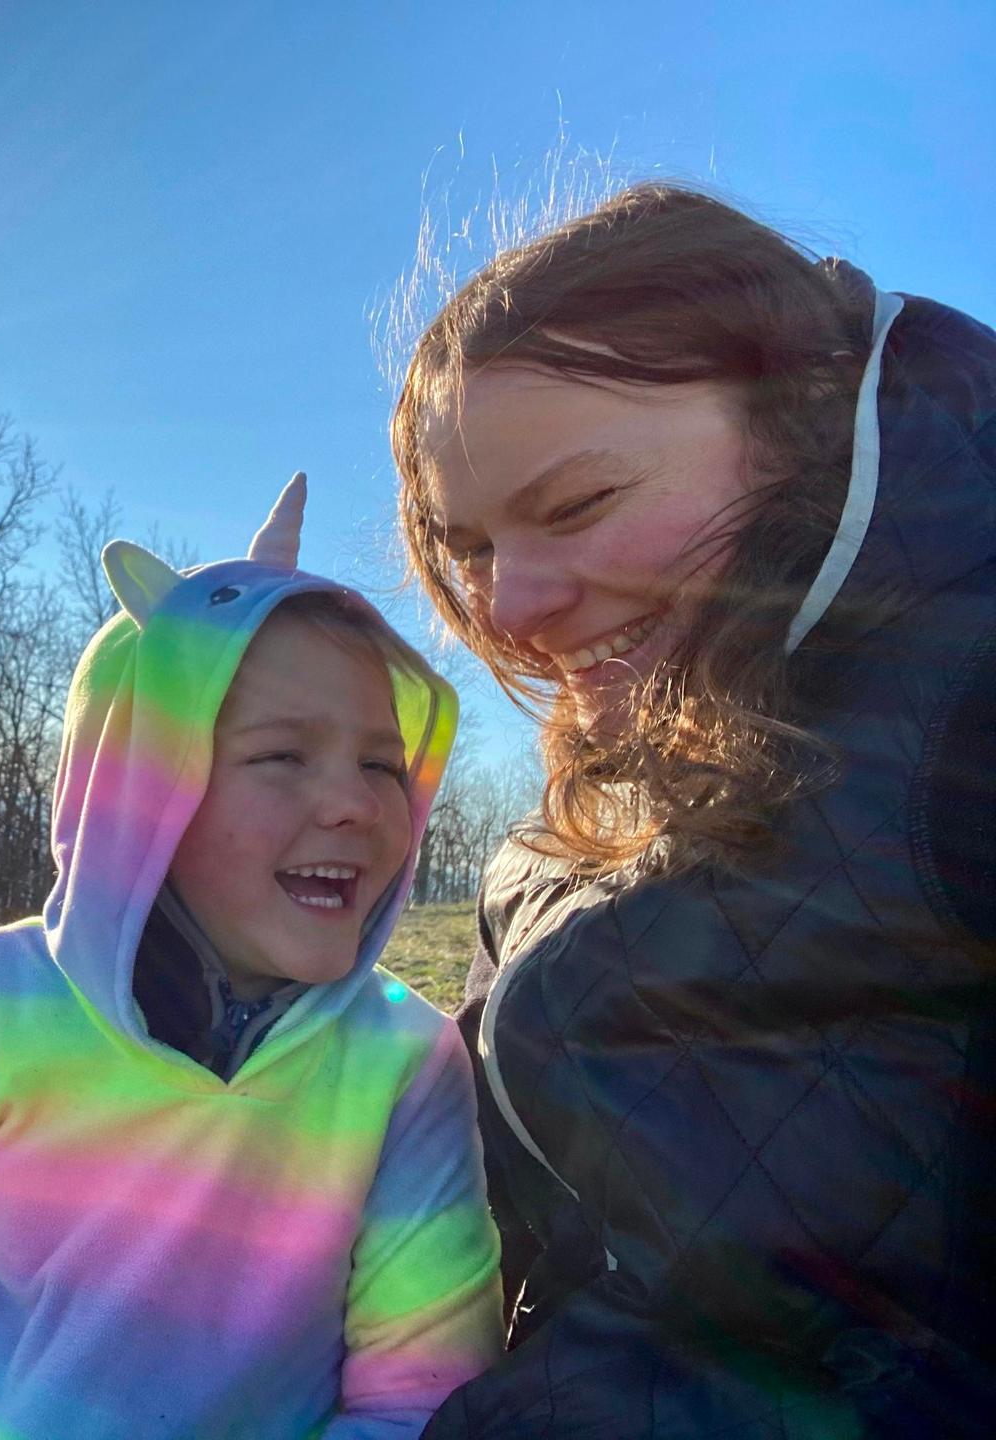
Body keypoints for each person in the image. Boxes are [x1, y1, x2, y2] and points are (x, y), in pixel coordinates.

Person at [392, 182, 996, 1435]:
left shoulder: (962, 708)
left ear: (801, 413)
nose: (511, 608)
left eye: (577, 505)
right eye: (473, 548)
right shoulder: (583, 802)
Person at [0, 477, 503, 1439]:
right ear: (142, 791)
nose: (357, 804)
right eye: (282, 756)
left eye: (380, 763)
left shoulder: (404, 1066)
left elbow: (421, 1397)